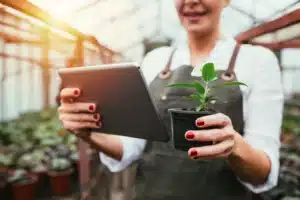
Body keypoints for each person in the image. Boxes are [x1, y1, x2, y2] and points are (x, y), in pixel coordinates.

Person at [57, 0, 283, 199]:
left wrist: (234, 146)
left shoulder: (257, 62)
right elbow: (131, 147)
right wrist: (91, 134)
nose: (191, 1)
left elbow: (264, 172)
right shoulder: (155, 60)